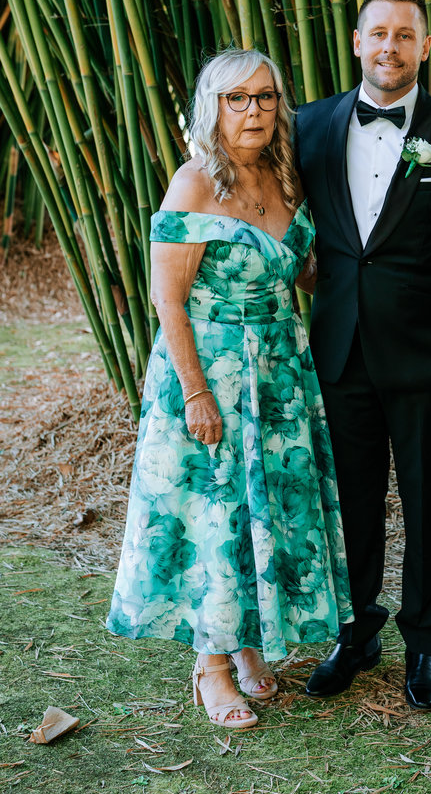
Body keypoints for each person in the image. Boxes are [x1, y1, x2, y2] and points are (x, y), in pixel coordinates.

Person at [107, 47, 352, 730]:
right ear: (211, 109)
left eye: (265, 97)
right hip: (210, 369)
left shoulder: (286, 178)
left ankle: (246, 644)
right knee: (216, 513)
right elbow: (167, 298)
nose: (253, 111)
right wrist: (195, 392)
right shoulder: (193, 184)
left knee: (258, 510)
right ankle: (209, 667)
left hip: (279, 372)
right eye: (236, 99)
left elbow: (303, 273)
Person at [295, 0, 431, 709]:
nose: (390, 47)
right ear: (357, 42)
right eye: (378, 33)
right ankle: (354, 634)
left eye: (405, 35)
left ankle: (425, 645)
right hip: (340, 351)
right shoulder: (308, 126)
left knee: (426, 501)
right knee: (350, 502)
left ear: (425, 46)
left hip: (429, 359)